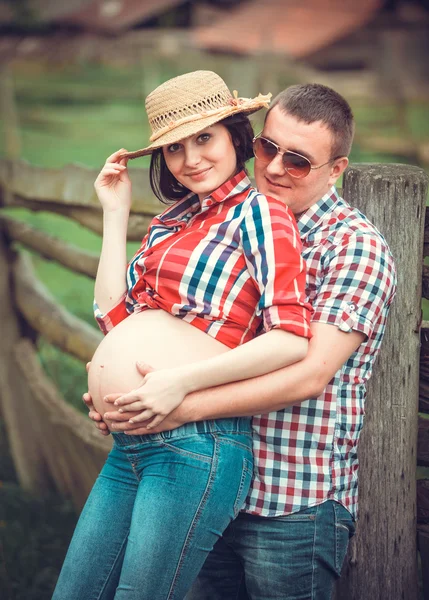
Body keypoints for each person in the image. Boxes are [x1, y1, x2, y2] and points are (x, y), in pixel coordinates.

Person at [86, 82, 397, 600]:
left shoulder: (353, 247)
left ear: (335, 170)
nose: (274, 168)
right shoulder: (225, 225)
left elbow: (309, 372)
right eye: (268, 148)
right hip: (212, 481)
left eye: (298, 161)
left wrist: (173, 403)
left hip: (291, 498)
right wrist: (128, 397)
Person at [53, 71, 312, 600]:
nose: (190, 159)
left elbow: (291, 337)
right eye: (174, 148)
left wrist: (177, 382)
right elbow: (114, 320)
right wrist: (114, 213)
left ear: (235, 136)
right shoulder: (170, 224)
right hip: (131, 443)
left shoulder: (258, 214)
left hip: (197, 443)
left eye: (204, 138)